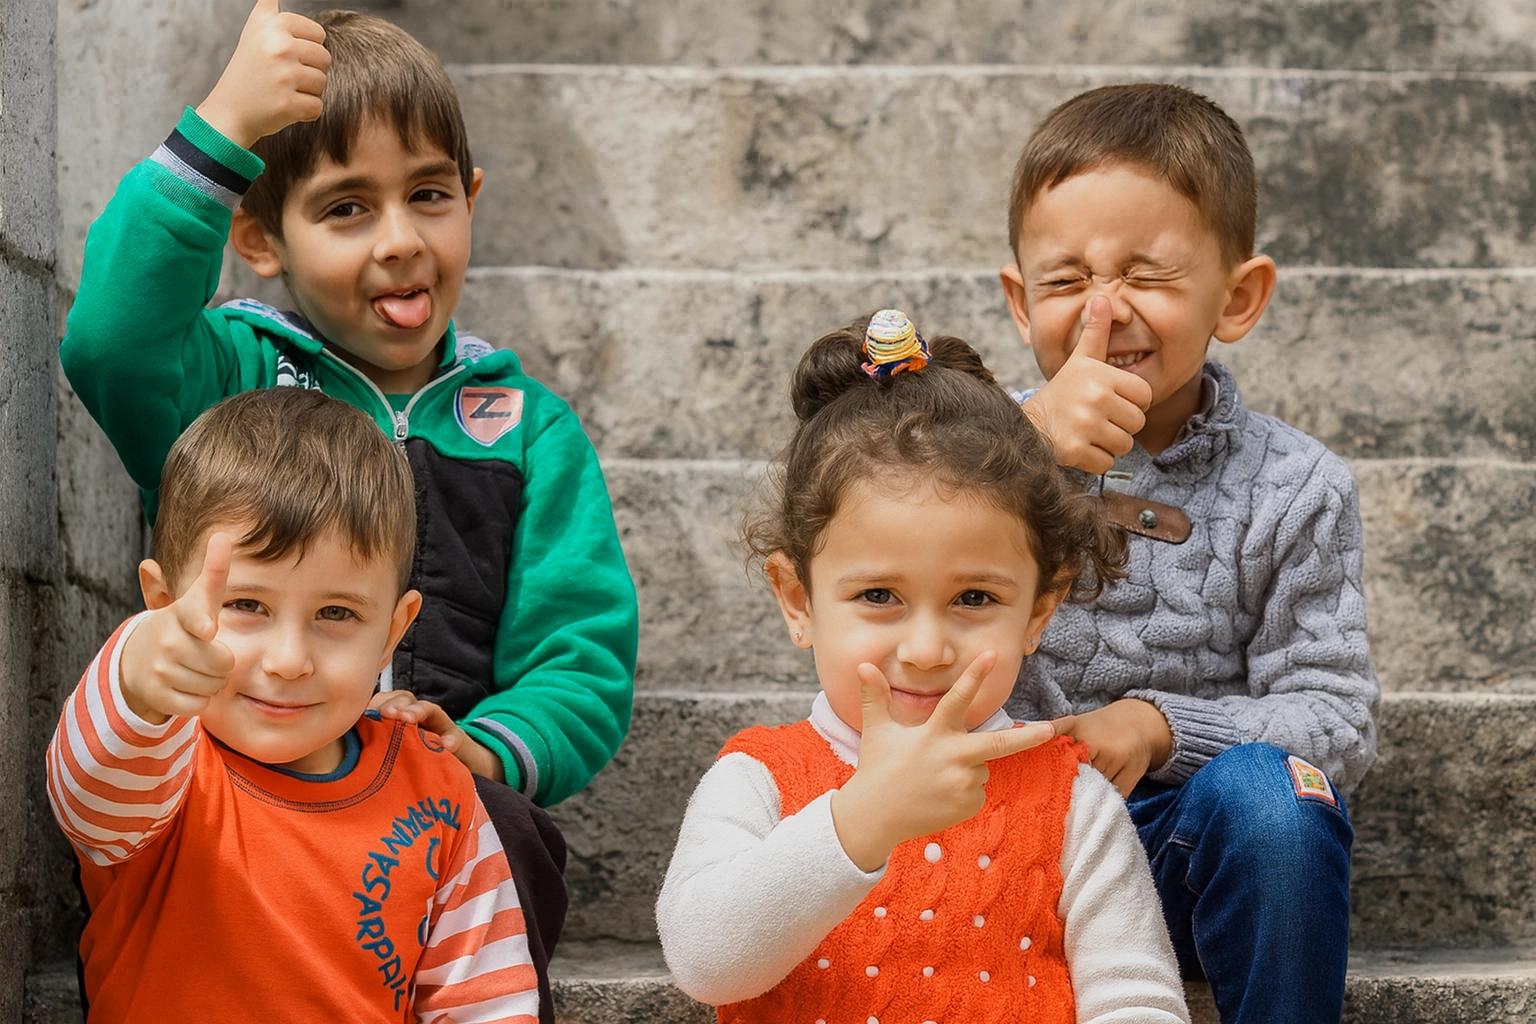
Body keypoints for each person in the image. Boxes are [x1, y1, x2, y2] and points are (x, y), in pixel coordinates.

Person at [57, 4, 639, 1007]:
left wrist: (479, 746)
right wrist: (223, 131)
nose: (401, 241)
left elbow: (580, 656)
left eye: (429, 195)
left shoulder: (527, 429)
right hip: (232, 772)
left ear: (474, 197)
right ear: (260, 237)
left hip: (433, 803)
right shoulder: (230, 375)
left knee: (502, 832)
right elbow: (111, 342)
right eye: (346, 209)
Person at [656, 310, 1190, 1024]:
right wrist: (863, 819)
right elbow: (704, 961)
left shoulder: (1072, 802)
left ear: (1039, 610)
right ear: (798, 599)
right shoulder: (759, 780)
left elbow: (1137, 1000)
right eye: (879, 595)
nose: (927, 649)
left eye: (974, 597)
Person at [997, 83, 1378, 1024]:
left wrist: (1161, 729)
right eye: (1067, 279)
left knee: (1279, 799)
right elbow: (842, 496)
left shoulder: (1297, 485)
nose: (1105, 311)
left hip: (1175, 849)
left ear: (1237, 297)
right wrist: (1019, 450)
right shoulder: (967, 447)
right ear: (1019, 301)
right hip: (997, 838)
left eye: (1147, 274)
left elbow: (1336, 720)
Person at [46, 388, 539, 1022]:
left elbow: (485, 998)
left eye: (336, 613)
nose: (288, 659)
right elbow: (88, 785)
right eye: (246, 605)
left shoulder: (437, 790)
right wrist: (136, 672)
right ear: (163, 601)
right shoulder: (160, 771)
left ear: (394, 630)